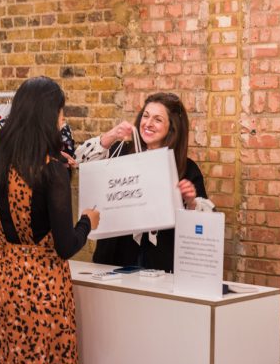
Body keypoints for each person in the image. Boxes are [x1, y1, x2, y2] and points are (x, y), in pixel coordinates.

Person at [0, 76, 100, 364]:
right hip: (41, 290)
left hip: (2, 281)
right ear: (47, 115)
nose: (63, 118)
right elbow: (65, 246)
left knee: (2, 362)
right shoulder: (50, 169)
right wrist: (87, 222)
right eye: (60, 111)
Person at [74, 92, 209, 271]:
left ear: (172, 127)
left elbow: (203, 227)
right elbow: (78, 162)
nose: (148, 123)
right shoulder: (120, 152)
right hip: (113, 259)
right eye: (145, 116)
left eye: (157, 119)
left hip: (160, 263)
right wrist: (112, 135)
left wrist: (191, 202)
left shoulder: (185, 168)